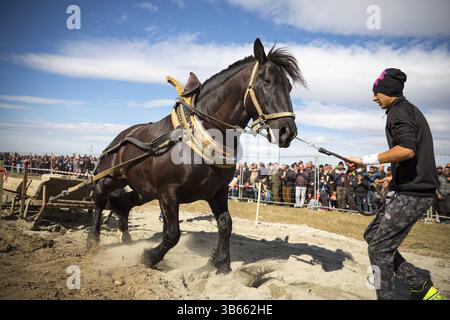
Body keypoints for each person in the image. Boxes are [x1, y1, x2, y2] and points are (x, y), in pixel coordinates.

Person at [348, 68, 444, 300]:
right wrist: (395, 175)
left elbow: (406, 149)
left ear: (388, 91)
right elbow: (415, 152)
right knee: (373, 237)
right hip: (409, 188)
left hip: (414, 195)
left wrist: (365, 161)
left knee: (379, 248)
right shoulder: (407, 110)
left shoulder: (398, 112)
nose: (374, 98)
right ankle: (420, 287)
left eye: (376, 93)